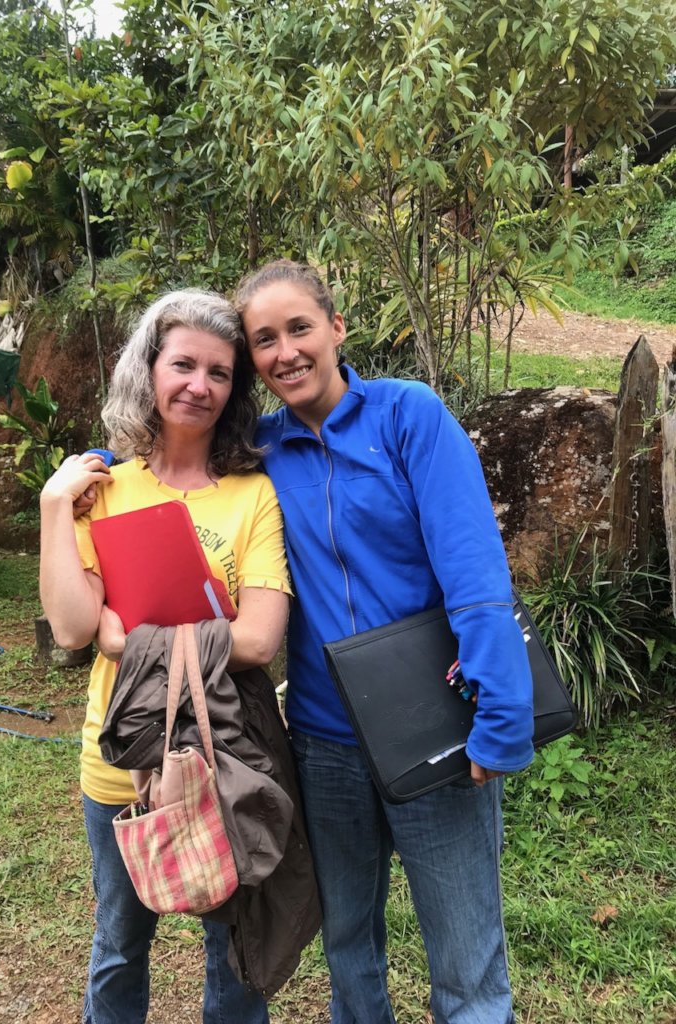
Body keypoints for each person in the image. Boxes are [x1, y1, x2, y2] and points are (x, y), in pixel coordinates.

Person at [230, 260, 534, 1024]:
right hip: (325, 743)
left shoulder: (407, 416)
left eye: (299, 327)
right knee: (349, 953)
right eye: (263, 339)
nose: (285, 351)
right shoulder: (259, 456)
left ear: (336, 327)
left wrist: (503, 718)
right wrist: (92, 473)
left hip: (435, 729)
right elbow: (174, 474)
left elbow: (474, 572)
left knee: (467, 965)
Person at [40, 289, 291, 1024]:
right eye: (183, 364)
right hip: (122, 753)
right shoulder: (104, 489)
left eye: (219, 373)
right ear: (148, 370)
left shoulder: (252, 495)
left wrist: (132, 639)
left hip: (228, 756)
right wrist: (58, 506)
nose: (199, 386)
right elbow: (72, 627)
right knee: (120, 941)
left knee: (234, 949)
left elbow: (259, 640)